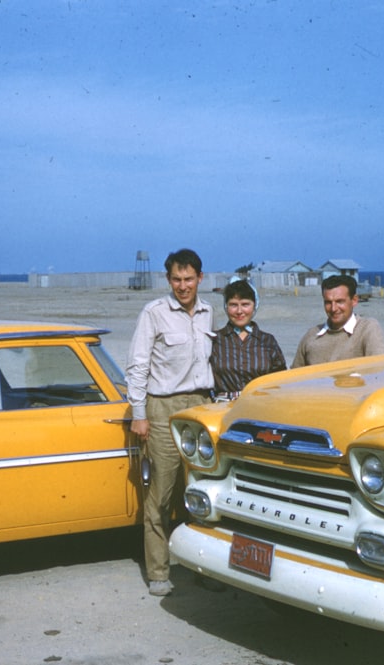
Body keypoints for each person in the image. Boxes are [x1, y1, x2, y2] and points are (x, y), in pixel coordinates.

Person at [125, 248, 214, 597]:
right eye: (176, 279)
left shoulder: (209, 312)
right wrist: (139, 414)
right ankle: (159, 571)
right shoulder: (154, 313)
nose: (182, 286)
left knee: (202, 491)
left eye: (189, 279)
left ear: (200, 279)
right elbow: (137, 366)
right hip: (162, 409)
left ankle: (206, 568)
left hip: (201, 408)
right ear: (168, 280)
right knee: (160, 494)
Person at [211, 278, 286, 401]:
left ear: (254, 305)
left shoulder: (267, 341)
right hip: (222, 410)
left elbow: (280, 379)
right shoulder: (215, 340)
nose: (239, 311)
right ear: (226, 306)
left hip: (260, 407)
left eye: (245, 304)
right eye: (233, 305)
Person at [291, 274, 384, 368]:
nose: (333, 309)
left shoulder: (368, 329)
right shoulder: (311, 335)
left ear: (354, 300)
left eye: (339, 301)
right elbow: (293, 377)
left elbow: (377, 372)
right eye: (328, 302)